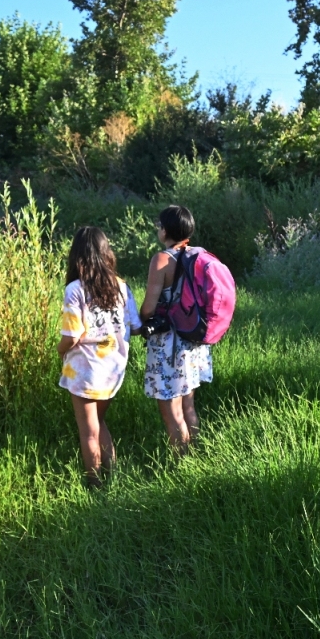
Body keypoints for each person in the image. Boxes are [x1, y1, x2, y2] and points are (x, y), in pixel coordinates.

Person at [57, 226, 142, 489]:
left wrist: (59, 351)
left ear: (77, 255)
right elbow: (135, 327)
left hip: (84, 371)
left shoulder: (75, 289)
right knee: (99, 423)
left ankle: (94, 484)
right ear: (106, 253)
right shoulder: (122, 287)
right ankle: (112, 475)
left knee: (88, 432)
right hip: (113, 370)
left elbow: (71, 336)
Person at [139, 205, 213, 453]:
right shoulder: (196, 254)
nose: (158, 229)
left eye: (159, 225)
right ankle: (197, 454)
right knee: (188, 405)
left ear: (165, 230)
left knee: (171, 411)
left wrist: (140, 322)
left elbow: (149, 308)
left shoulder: (162, 259)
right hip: (192, 340)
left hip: (169, 345)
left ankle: (182, 462)